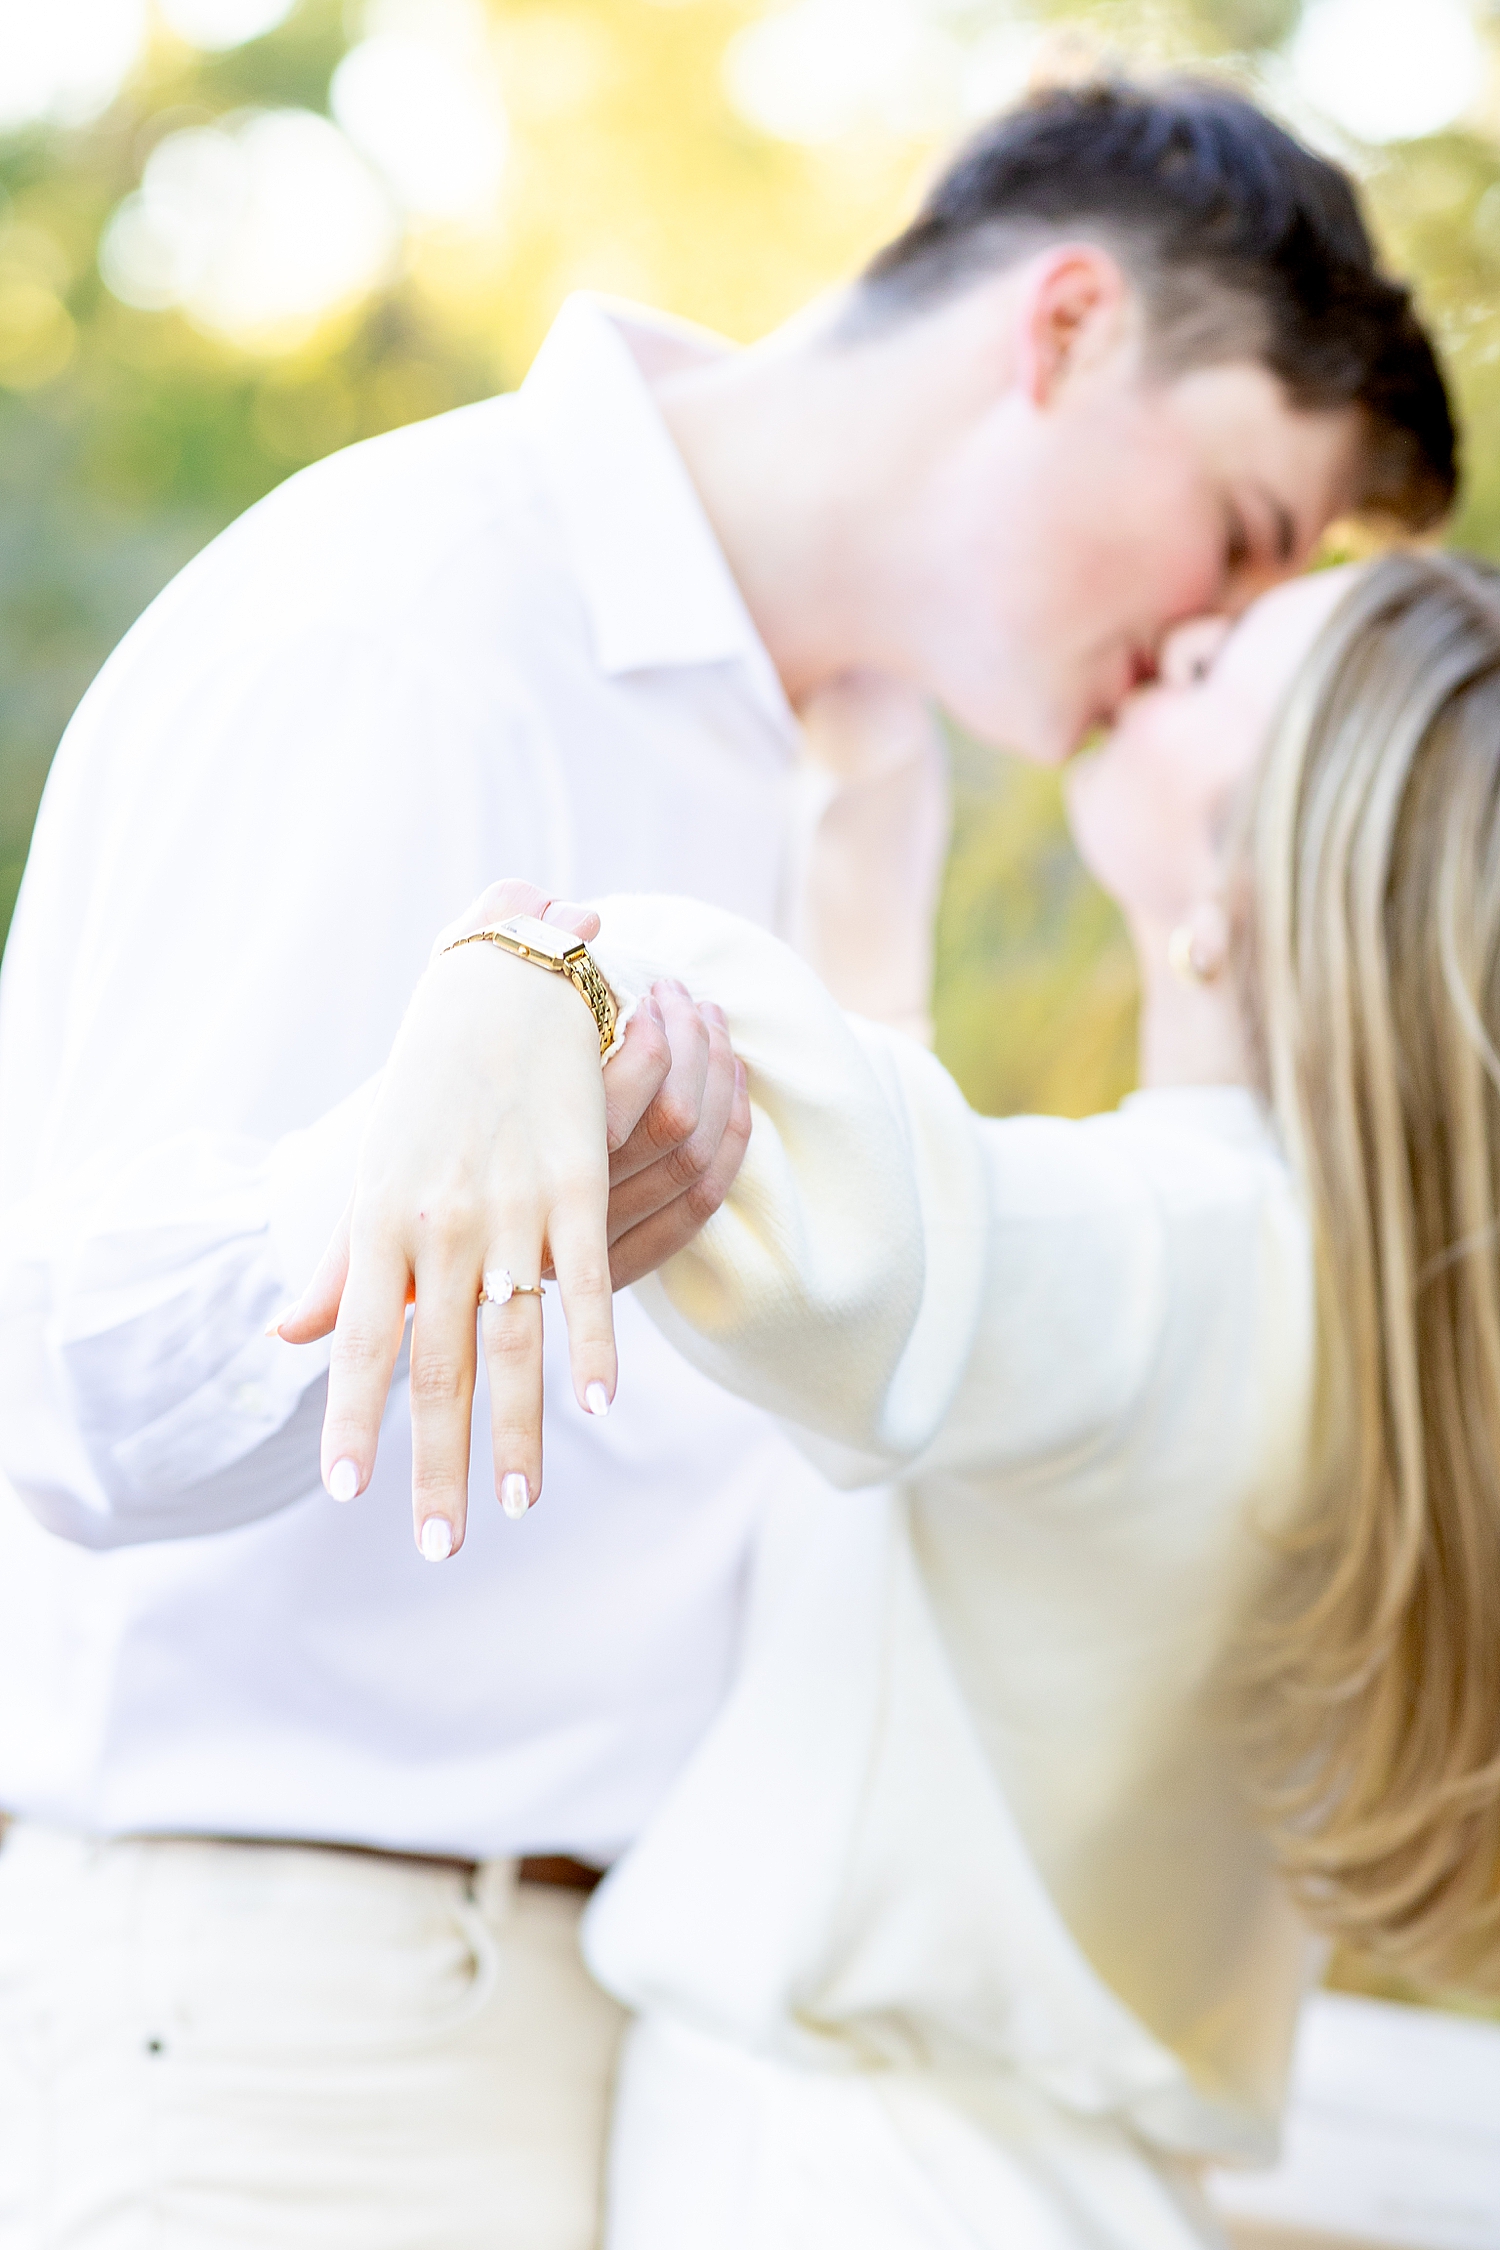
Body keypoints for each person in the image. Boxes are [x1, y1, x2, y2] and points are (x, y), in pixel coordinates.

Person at [0, 78, 1455, 2248]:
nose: (1187, 650)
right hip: (289, 2014)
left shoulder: (870, 771)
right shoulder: (416, 614)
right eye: (1240, 538)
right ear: (1060, 331)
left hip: (604, 2035)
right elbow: (75, 1370)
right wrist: (468, 1116)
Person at [323, 549, 1500, 2247]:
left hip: (852, 2190)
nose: (1161, 632)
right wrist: (870, 887)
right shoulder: (1334, 1299)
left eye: (1212, 661)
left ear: (1239, 881)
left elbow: (855, 1221)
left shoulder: (1172, 1252)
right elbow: (946, 1346)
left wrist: (545, 963)